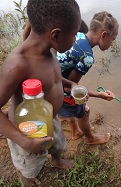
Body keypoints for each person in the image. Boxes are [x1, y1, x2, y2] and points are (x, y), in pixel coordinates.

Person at [0, 0, 81, 186]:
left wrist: (71, 84)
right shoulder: (18, 64)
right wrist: (25, 142)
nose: (76, 39)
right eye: (75, 34)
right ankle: (28, 180)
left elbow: (53, 79)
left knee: (57, 144)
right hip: (27, 130)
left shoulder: (50, 49)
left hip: (49, 118)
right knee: (30, 164)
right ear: (56, 35)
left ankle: (56, 160)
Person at [57, 11, 119, 143]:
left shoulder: (78, 35)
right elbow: (69, 88)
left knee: (68, 105)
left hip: (52, 78)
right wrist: (99, 95)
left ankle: (67, 121)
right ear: (103, 35)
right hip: (57, 86)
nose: (111, 44)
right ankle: (90, 138)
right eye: (112, 39)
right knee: (84, 111)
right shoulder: (87, 57)